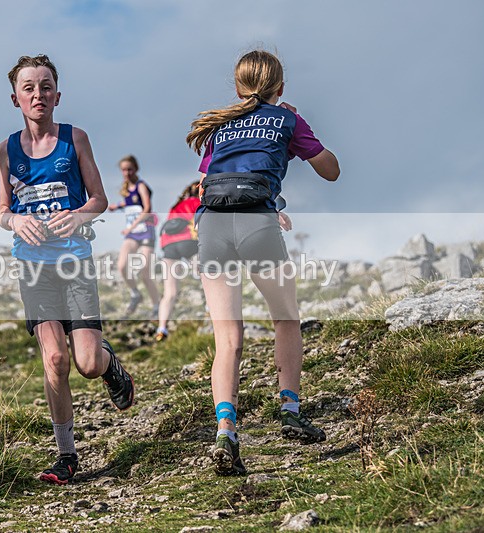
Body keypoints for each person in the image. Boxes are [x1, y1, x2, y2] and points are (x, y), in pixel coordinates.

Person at [186, 50, 340, 476]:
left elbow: (205, 183)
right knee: (285, 318)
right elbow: (331, 170)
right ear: (281, 87)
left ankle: (225, 430)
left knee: (228, 339)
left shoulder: (222, 125)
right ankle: (289, 408)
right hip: (258, 224)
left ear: (237, 88)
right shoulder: (287, 119)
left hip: (213, 228)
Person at [0, 54, 135, 485]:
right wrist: (15, 220)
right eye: (29, 87)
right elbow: (2, 210)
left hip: (75, 262)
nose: (38, 94)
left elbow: (99, 199)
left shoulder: (75, 139)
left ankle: (112, 366)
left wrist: (78, 216)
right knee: (55, 358)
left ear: (58, 94)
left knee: (87, 363)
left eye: (46, 85)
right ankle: (66, 455)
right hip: (32, 267)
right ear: (15, 98)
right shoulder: (6, 150)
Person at [107, 155, 161, 317]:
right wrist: (116, 206)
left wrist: (131, 226)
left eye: (129, 169)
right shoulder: (126, 189)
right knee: (122, 266)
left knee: (145, 272)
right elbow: (129, 203)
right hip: (132, 234)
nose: (126, 172)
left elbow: (146, 208)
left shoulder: (141, 186)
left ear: (136, 169)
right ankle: (135, 293)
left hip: (145, 231)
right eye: (123, 170)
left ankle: (157, 305)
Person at [155, 181, 201, 342]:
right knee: (209, 277)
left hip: (169, 246)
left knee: (170, 292)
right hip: (189, 242)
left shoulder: (175, 207)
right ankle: (212, 310)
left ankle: (162, 328)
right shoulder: (198, 203)